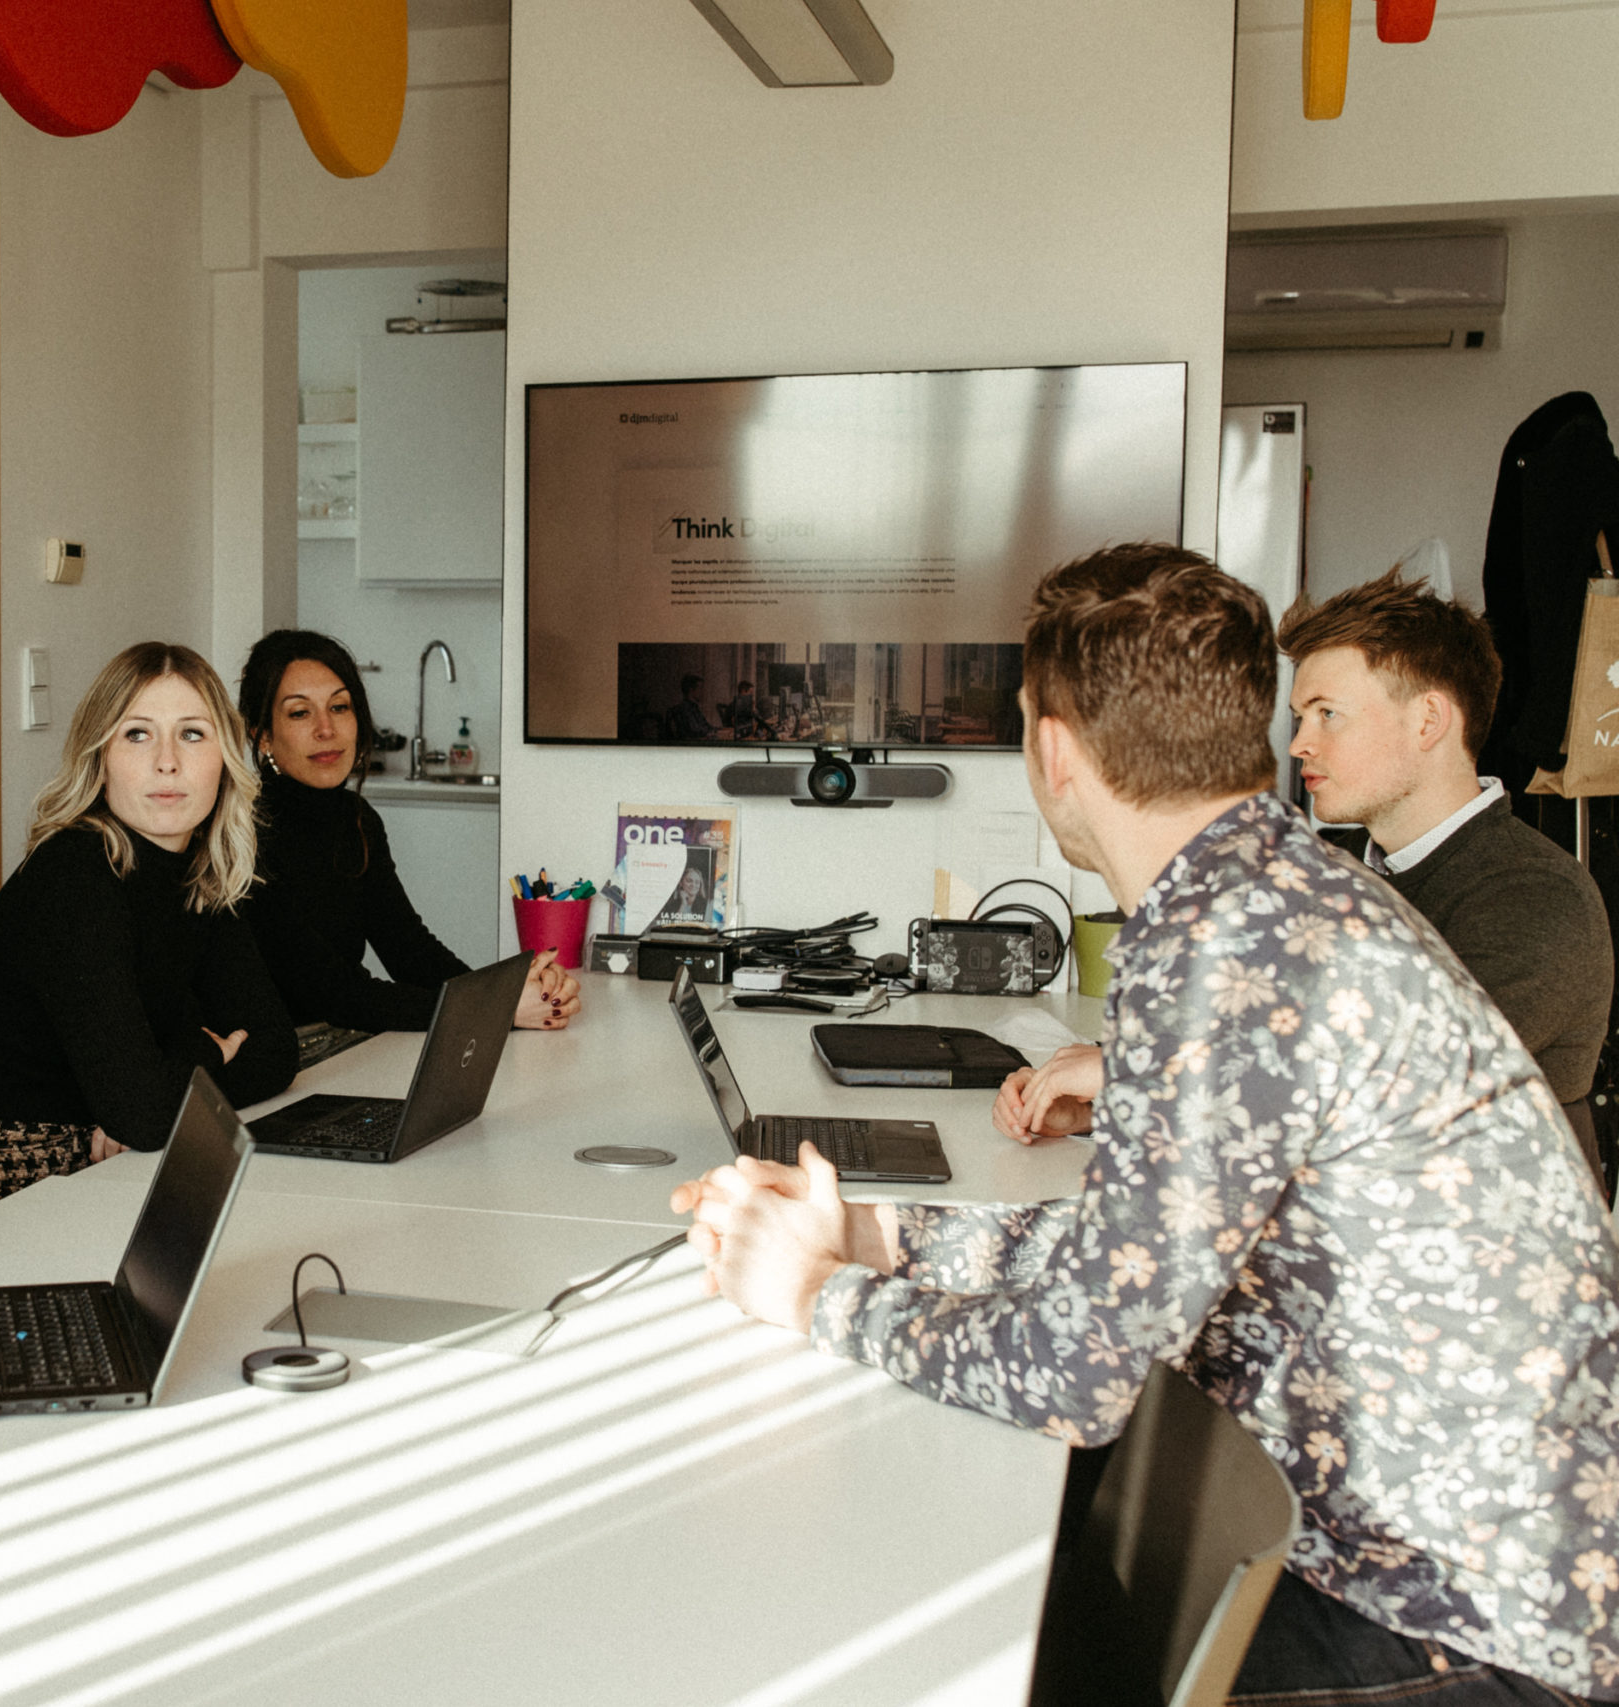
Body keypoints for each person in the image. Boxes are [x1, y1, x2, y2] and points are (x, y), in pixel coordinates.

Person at [675, 545, 1619, 1702]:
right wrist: (879, 1234)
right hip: (1426, 1568)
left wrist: (814, 1294)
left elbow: (1074, 1381)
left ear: (1053, 748)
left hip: (1465, 1633)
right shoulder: (1273, 891)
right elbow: (1137, 1250)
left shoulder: (1230, 949)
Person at [996, 568, 1615, 1194]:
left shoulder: (1536, 896)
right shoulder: (1326, 866)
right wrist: (1100, 1109)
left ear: (1429, 720)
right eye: (1299, 717)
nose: (1299, 745)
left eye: (1327, 715)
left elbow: (1395, 1081)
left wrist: (1132, 1073)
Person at [0, 641, 299, 1197]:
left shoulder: (200, 872)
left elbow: (277, 1050)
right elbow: (142, 1114)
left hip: (99, 1160)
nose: (167, 760)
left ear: (225, 758)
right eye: (137, 734)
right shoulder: (73, 874)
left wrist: (163, 1095)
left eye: (192, 733)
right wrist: (207, 1053)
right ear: (100, 756)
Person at [234, 629, 580, 1035]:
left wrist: (509, 992)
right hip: (277, 1068)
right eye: (299, 712)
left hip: (336, 1045)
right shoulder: (245, 835)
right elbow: (333, 995)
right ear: (262, 734)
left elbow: (409, 950)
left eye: (340, 707)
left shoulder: (357, 819)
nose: (326, 728)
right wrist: (493, 1010)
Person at [664, 673, 718, 742]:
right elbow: (696, 730)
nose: (703, 692)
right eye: (700, 688)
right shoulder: (685, 709)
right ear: (691, 690)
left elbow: (706, 726)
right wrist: (715, 733)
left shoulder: (694, 708)